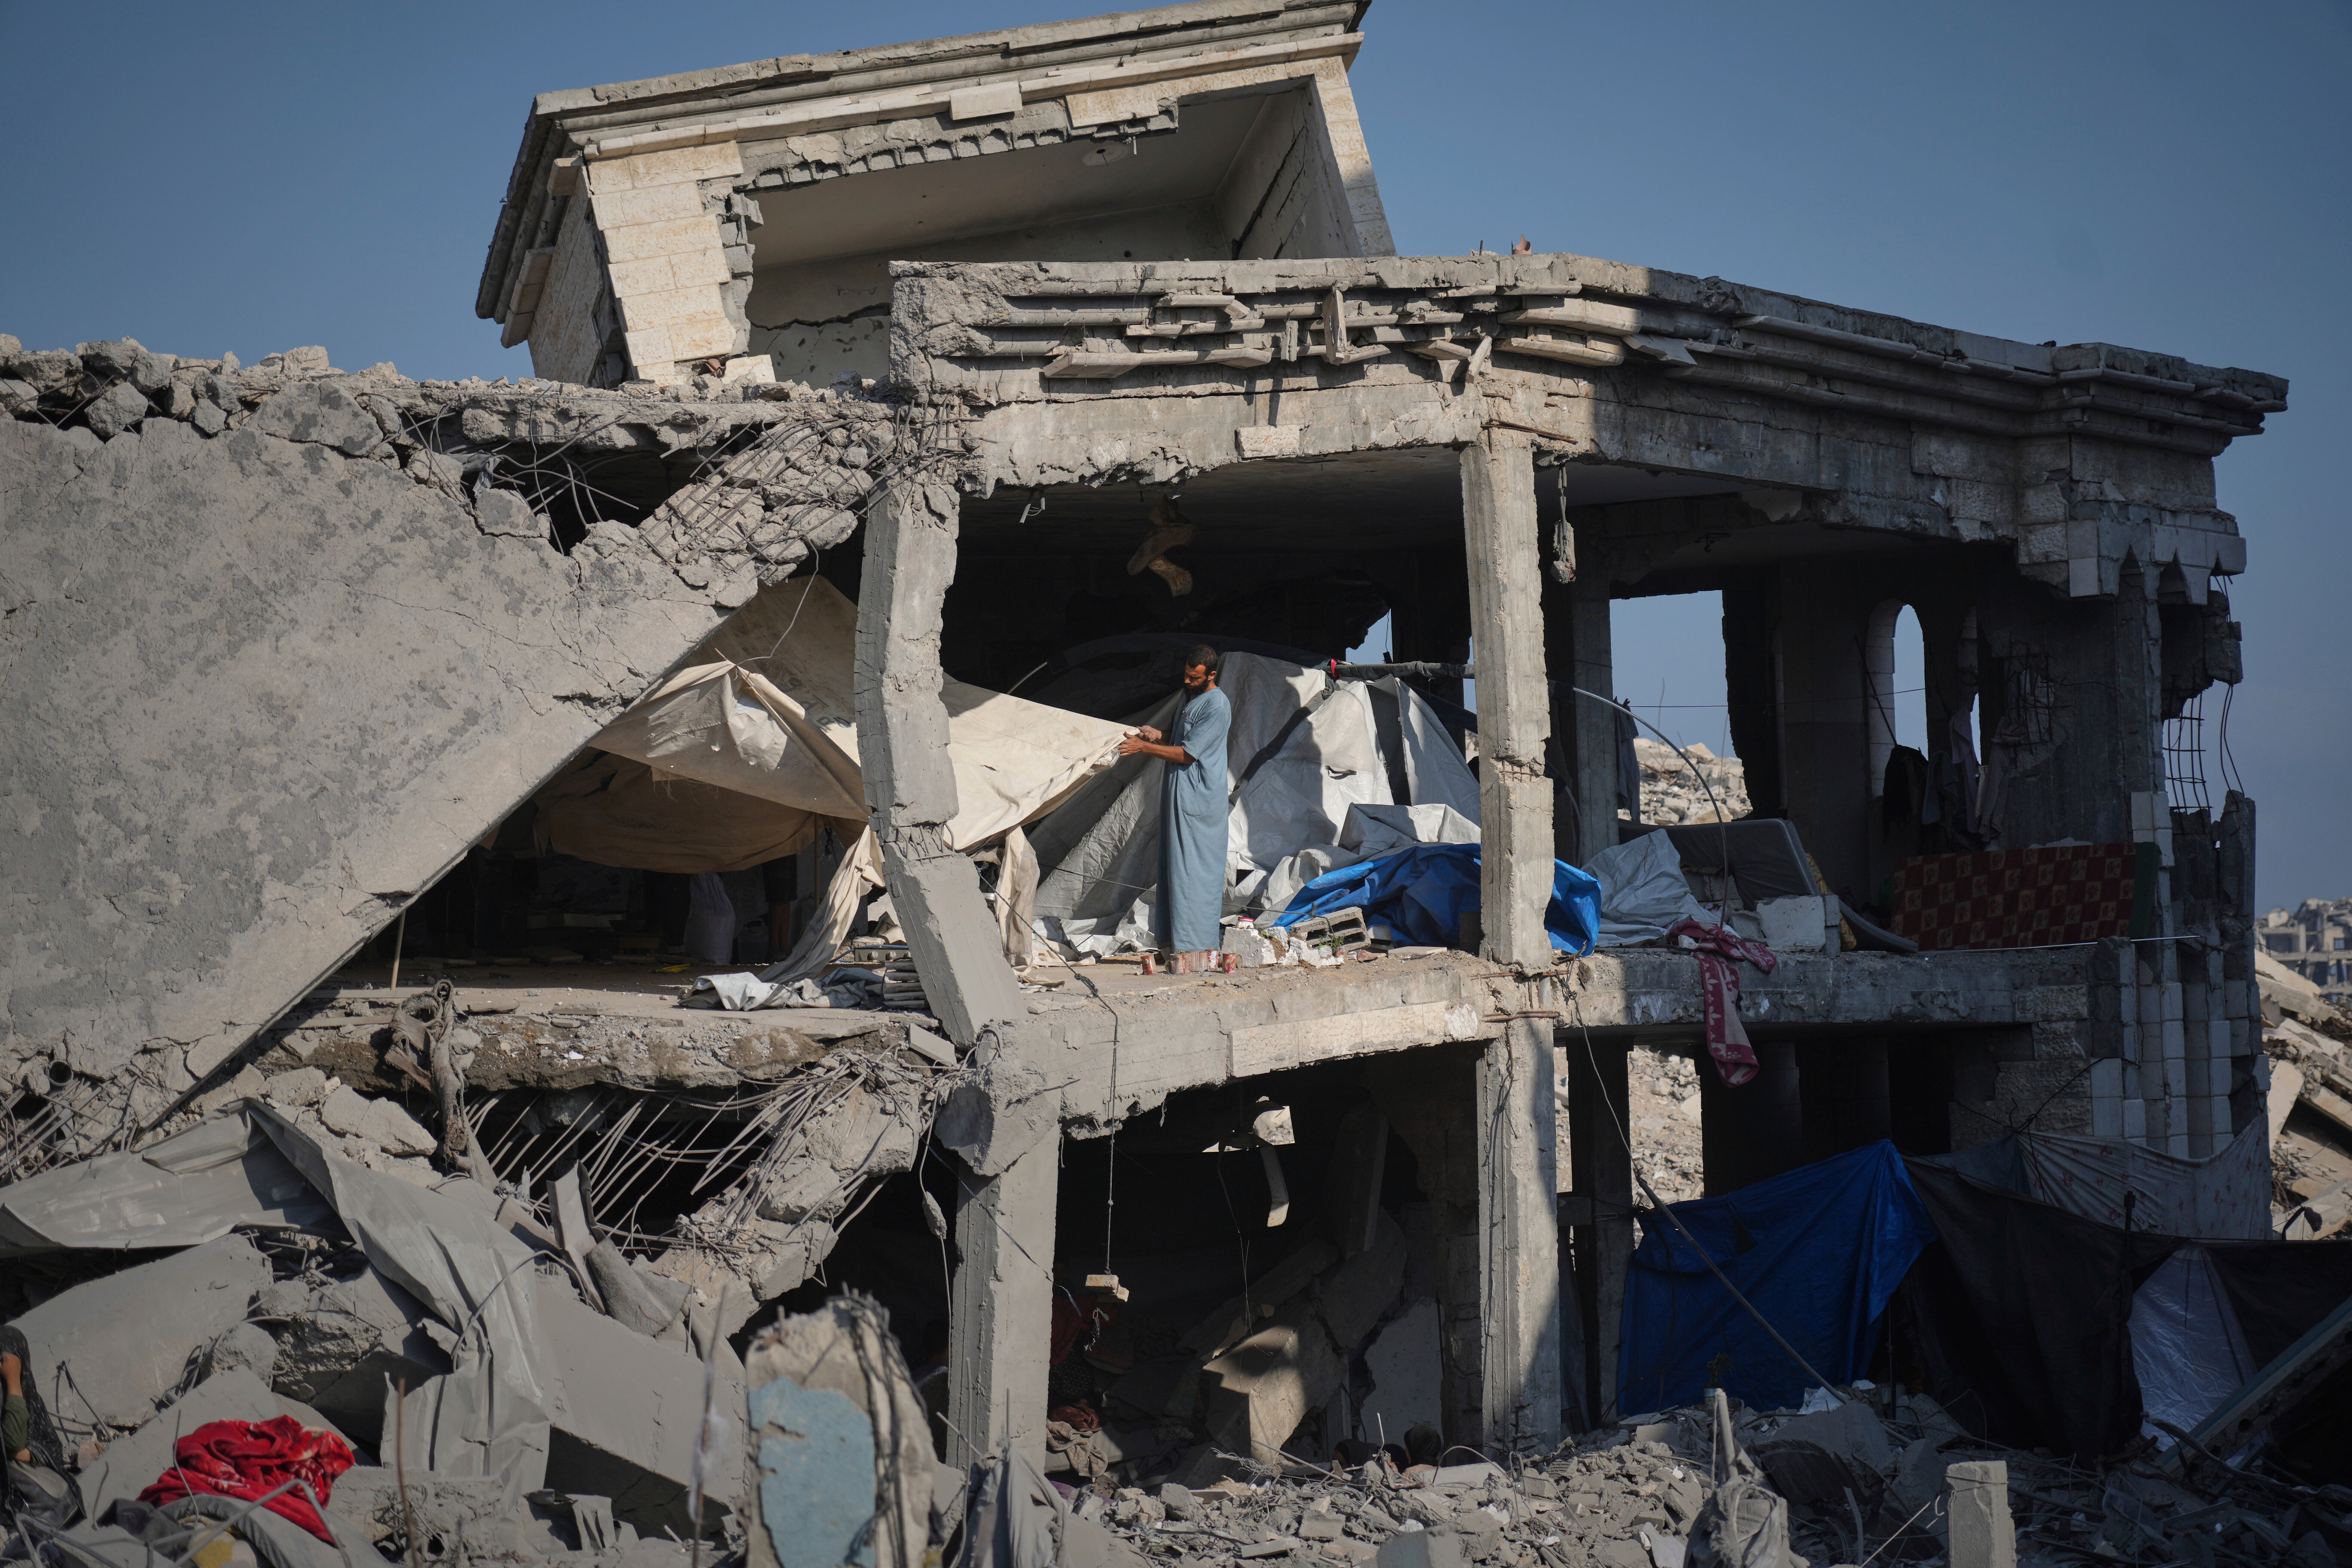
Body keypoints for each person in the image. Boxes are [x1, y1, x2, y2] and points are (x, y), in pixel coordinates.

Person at [1118, 645, 1231, 968]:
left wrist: (1143, 748)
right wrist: (1157, 735)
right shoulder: (1189, 696)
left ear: (1211, 675)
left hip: (1199, 802)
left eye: (1194, 677)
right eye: (1186, 673)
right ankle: (1175, 946)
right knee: (1174, 871)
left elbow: (1188, 754)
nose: (1187, 680)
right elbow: (1180, 737)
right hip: (1178, 796)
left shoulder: (1218, 705)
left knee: (1194, 874)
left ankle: (1198, 950)